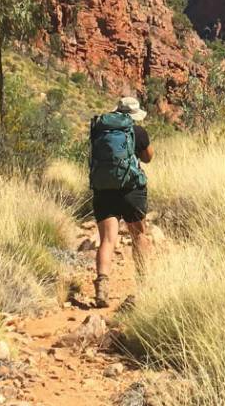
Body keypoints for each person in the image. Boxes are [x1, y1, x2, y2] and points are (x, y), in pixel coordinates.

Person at [88, 95, 153, 308]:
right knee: (139, 235)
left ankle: (102, 288)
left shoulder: (100, 129)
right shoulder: (138, 131)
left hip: (104, 188)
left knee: (107, 239)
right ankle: (144, 284)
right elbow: (148, 157)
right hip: (130, 189)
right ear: (134, 115)